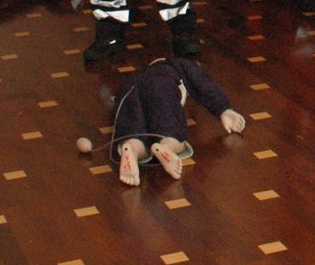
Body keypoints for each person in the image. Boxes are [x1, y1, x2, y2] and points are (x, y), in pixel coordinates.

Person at [100, 57, 247, 187]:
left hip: (128, 89)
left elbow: (119, 111)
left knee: (134, 130)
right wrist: (224, 109)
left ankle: (131, 148)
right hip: (161, 85)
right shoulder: (175, 67)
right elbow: (204, 84)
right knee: (170, 129)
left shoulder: (135, 76)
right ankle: (167, 147)